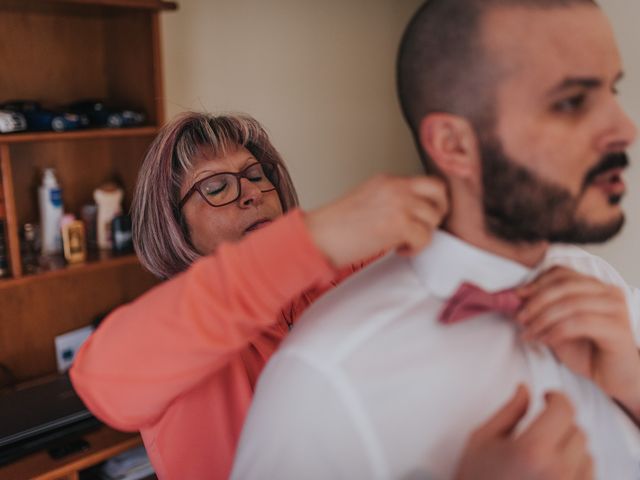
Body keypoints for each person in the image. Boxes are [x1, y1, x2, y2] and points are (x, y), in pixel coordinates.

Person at [231, 1, 640, 479]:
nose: (624, 130)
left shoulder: (606, 294)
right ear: (454, 145)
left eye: (613, 91)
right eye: (572, 102)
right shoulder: (322, 378)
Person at [70, 112, 451, 479]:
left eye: (255, 175)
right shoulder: (181, 337)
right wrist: (315, 236)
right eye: (216, 187)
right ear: (176, 227)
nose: (251, 192)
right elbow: (102, 380)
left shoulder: (341, 276)